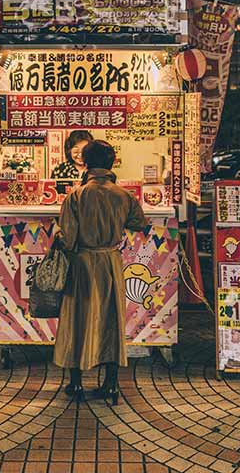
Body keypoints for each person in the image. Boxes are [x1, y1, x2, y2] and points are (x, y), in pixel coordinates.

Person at [53, 139, 148, 404]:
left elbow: (68, 239)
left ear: (85, 163)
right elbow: (140, 222)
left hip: (82, 263)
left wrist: (58, 232)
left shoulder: (77, 195)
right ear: (111, 163)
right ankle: (111, 384)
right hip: (110, 262)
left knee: (77, 319)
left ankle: (76, 384)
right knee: (111, 320)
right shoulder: (123, 195)